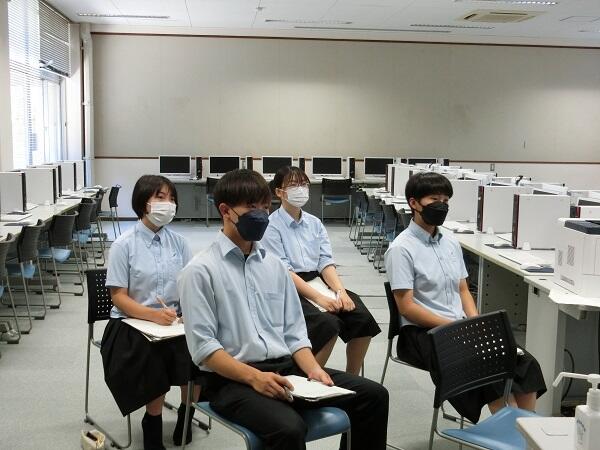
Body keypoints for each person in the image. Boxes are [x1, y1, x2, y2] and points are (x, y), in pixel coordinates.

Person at [178, 169, 389, 450]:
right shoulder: (200, 271)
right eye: (251, 207)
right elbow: (204, 348)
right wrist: (255, 377)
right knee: (289, 428)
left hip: (285, 369)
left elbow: (295, 332)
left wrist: (313, 370)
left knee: (374, 396)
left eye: (265, 207)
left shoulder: (274, 266)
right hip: (231, 380)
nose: (261, 214)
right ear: (226, 211)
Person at [384, 171, 546, 424]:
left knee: (525, 363)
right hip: (421, 333)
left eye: (445, 201)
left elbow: (462, 289)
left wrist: (475, 322)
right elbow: (407, 307)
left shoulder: (450, 241)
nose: (441, 205)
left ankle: (527, 430)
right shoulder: (401, 249)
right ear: (413, 203)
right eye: (434, 199)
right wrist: (456, 327)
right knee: (489, 370)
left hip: (459, 326)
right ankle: (511, 433)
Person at [101, 175, 200, 450]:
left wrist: (187, 313)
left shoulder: (179, 243)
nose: (168, 204)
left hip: (173, 321)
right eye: (160, 197)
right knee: (152, 357)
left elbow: (188, 287)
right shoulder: (124, 245)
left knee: (200, 348)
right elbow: (118, 297)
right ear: (144, 203)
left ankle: (187, 414)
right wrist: (152, 315)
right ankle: (152, 422)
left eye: (172, 199)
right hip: (131, 323)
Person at [261, 166, 381, 374]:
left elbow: (325, 262)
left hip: (318, 280)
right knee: (328, 325)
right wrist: (319, 299)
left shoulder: (314, 223)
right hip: (289, 285)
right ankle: (311, 379)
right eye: (293, 185)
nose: (301, 189)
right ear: (279, 192)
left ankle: (352, 378)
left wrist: (340, 292)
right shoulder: (271, 226)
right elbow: (285, 271)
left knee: (362, 318)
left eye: (303, 184)